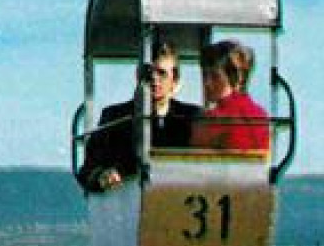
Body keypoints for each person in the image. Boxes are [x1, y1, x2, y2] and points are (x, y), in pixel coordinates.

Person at [78, 43, 199, 192]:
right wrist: (102, 176)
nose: (154, 79)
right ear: (138, 76)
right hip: (126, 207)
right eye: (148, 72)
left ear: (175, 81)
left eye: (162, 73)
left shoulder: (193, 118)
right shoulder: (114, 117)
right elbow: (87, 170)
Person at [191, 40, 271, 154]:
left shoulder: (212, 119)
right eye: (204, 75)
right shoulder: (260, 113)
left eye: (215, 76)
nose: (207, 83)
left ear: (234, 77)